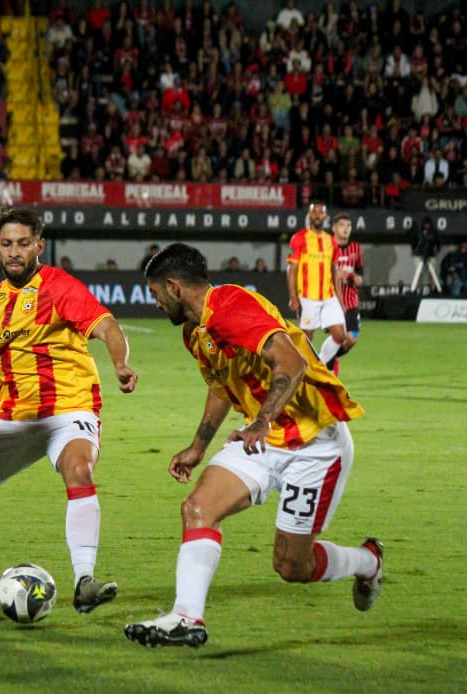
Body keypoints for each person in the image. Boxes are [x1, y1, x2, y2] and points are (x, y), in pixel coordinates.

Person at [124, 243, 381, 648]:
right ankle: (187, 617)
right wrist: (197, 446)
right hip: (262, 438)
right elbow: (221, 385)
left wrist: (262, 420)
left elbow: (291, 362)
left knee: (292, 565)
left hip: (314, 441)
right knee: (197, 508)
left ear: (173, 287)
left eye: (156, 294)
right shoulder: (196, 333)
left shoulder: (230, 306)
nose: (155, 303)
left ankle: (368, 561)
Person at [0, 205, 138, 614]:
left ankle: (84, 580)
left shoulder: (59, 287)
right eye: (7, 244)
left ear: (39, 245)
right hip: (14, 417)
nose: (15, 251)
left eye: (23, 243)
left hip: (68, 408)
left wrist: (120, 363)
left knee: (79, 469)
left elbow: (107, 326)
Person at [286, 202, 353, 367]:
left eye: (320, 212)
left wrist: (340, 299)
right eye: (314, 212)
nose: (317, 215)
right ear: (309, 216)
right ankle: (296, 369)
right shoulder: (299, 238)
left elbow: (334, 272)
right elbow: (292, 270)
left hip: (329, 296)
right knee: (306, 338)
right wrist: (293, 297)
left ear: (325, 217)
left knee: (339, 336)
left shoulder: (331, 241)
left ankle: (319, 366)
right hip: (307, 297)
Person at [328, 213, 363, 372]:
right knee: (339, 337)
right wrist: (336, 275)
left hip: (351, 302)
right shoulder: (327, 247)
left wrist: (354, 278)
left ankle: (327, 360)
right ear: (334, 227)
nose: (346, 229)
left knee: (352, 340)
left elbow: (361, 278)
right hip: (332, 301)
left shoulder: (356, 248)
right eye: (342, 225)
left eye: (348, 226)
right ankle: (327, 366)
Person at [410, 216, 443, 293]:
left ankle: (433, 289)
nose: (427, 226)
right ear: (423, 224)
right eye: (425, 224)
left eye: (428, 224)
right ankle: (416, 290)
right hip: (419, 254)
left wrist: (437, 251)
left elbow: (438, 243)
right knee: (418, 273)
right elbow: (413, 242)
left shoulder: (434, 232)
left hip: (430, 254)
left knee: (432, 273)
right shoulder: (418, 231)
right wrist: (412, 250)